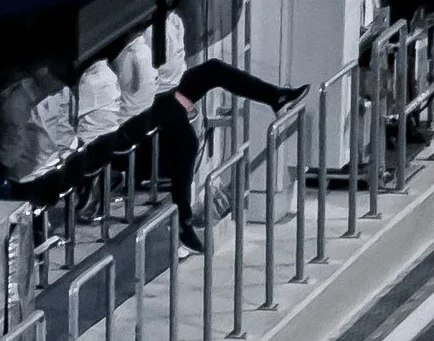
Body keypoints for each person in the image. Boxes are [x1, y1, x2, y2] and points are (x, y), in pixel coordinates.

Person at [129, 51, 304, 256]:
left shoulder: (171, 23)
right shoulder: (134, 49)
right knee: (187, 142)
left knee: (213, 69)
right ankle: (184, 223)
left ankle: (276, 96)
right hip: (153, 99)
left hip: (171, 88)